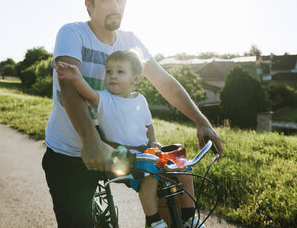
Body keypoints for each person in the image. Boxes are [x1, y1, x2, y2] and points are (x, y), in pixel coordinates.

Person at [42, 0, 223, 228]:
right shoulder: (73, 34)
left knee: (169, 179)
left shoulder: (130, 42)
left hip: (120, 151)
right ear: (89, 5)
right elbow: (69, 89)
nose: (115, 6)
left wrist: (201, 120)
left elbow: (164, 82)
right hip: (73, 153)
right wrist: (91, 142)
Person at [56, 49, 205, 228]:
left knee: (183, 167)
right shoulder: (104, 98)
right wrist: (76, 77)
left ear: (135, 79)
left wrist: (153, 142)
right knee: (150, 175)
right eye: (109, 71)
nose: (112, 76)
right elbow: (88, 92)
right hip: (122, 154)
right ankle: (154, 220)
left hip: (145, 150)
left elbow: (148, 125)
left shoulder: (141, 100)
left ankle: (189, 217)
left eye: (120, 72)